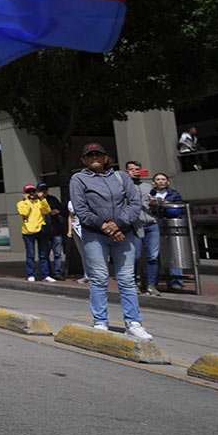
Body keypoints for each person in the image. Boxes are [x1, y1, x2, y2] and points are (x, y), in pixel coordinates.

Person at [69, 143, 152, 340]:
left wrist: (119, 224)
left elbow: (134, 203)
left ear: (107, 158)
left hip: (124, 233)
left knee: (126, 279)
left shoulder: (121, 177)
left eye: (98, 154)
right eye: (89, 155)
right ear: (83, 160)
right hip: (95, 235)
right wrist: (105, 226)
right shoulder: (78, 179)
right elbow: (81, 209)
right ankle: (100, 322)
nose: (94, 157)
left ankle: (133, 322)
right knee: (99, 278)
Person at [147, 172, 187, 291]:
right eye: (158, 179)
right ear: (153, 182)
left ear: (167, 182)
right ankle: (154, 281)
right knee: (154, 255)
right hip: (154, 225)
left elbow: (179, 209)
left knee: (174, 253)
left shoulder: (173, 194)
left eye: (163, 179)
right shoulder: (149, 194)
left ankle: (177, 280)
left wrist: (166, 205)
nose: (160, 181)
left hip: (170, 226)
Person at [124, 160, 158, 294]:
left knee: (153, 256)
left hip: (151, 224)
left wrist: (155, 204)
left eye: (137, 169)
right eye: (132, 169)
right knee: (136, 256)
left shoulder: (148, 187)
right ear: (126, 172)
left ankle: (151, 285)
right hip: (135, 226)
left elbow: (154, 206)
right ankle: (133, 283)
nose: (135, 171)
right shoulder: (123, 187)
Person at [17, 183, 54, 282]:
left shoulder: (39, 202)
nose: (31, 193)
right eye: (28, 192)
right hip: (28, 232)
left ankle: (45, 275)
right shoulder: (21, 204)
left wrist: (42, 199)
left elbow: (47, 211)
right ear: (25, 193)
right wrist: (27, 201)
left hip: (41, 230)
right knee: (30, 254)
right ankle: (31, 274)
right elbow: (25, 213)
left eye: (33, 191)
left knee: (43, 254)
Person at [37, 182, 67, 279]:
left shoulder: (53, 199)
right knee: (44, 254)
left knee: (57, 254)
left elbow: (64, 211)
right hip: (43, 231)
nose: (44, 192)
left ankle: (58, 273)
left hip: (56, 230)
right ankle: (47, 273)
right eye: (41, 190)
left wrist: (58, 211)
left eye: (45, 189)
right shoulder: (36, 202)